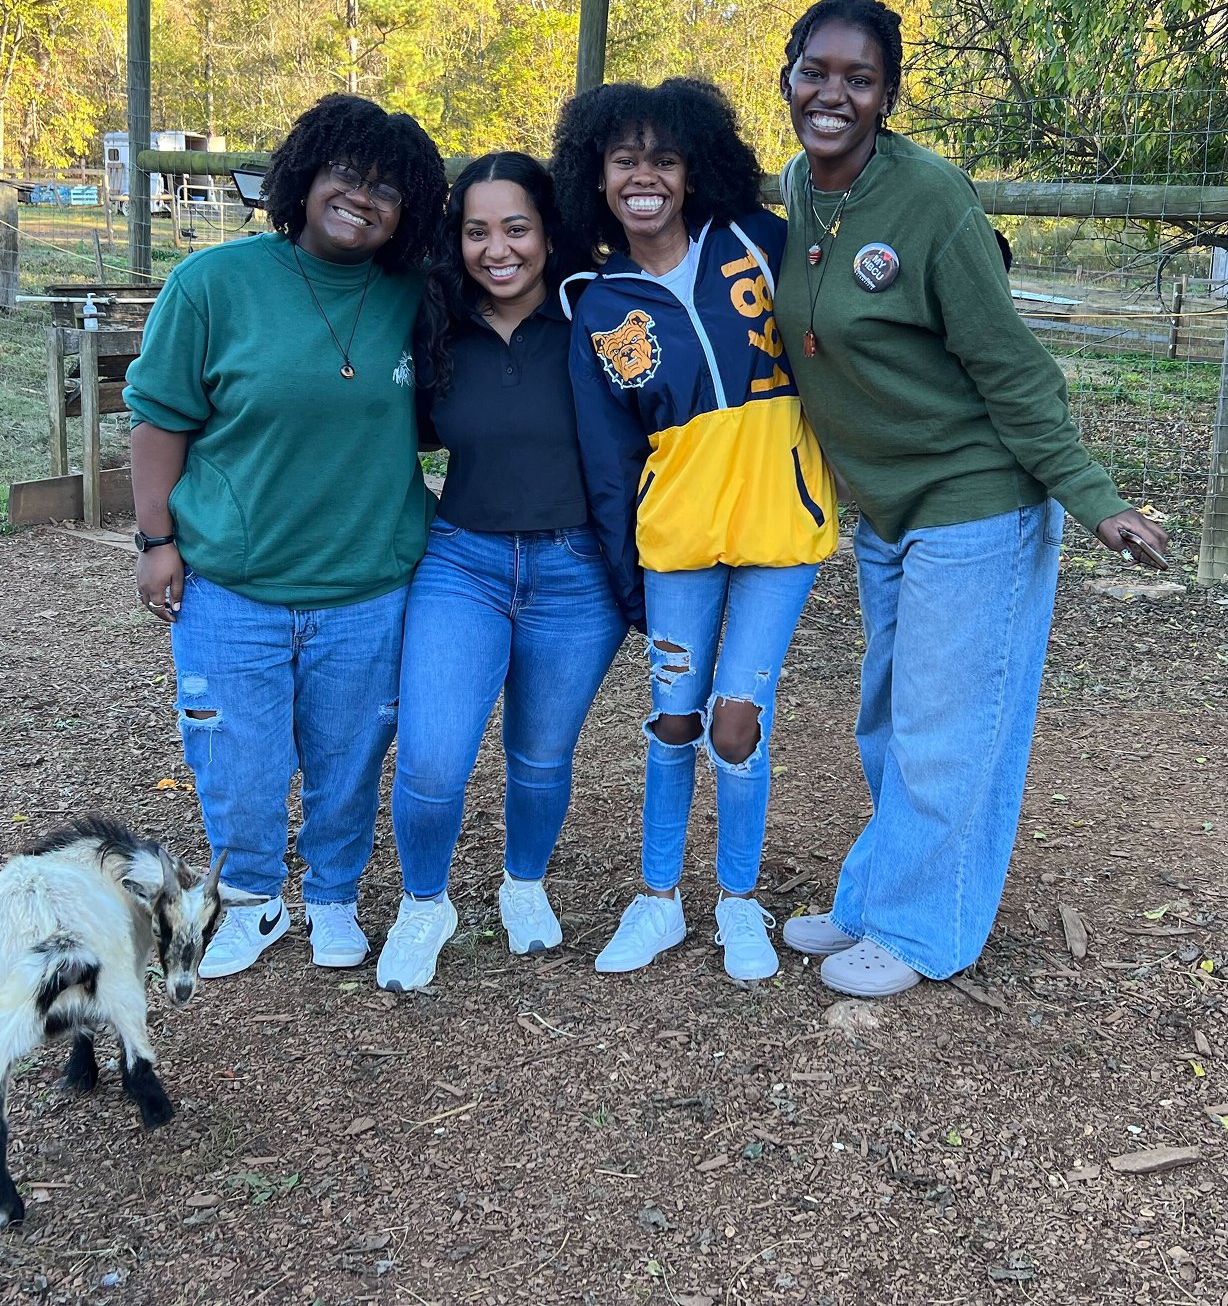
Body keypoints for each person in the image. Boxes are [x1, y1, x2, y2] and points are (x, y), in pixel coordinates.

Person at [774, 0, 1169, 997]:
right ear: (788, 76)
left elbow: (1011, 365)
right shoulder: (796, 187)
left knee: (946, 730)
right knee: (886, 721)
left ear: (888, 96)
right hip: (887, 508)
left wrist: (1094, 498)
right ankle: (878, 895)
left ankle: (922, 930)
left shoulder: (931, 198)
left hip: (976, 497)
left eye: (858, 79)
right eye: (816, 71)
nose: (832, 94)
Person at [124, 93, 447, 980]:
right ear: (303, 178)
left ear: (408, 210)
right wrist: (156, 540)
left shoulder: (417, 295)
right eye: (345, 173)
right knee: (237, 757)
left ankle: (334, 896)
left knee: (351, 757)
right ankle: (252, 899)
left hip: (368, 583)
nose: (362, 197)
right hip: (234, 583)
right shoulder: (214, 284)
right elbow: (158, 418)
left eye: (388, 188)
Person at [552, 78, 840, 982]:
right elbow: (607, 462)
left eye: (664, 159)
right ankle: (659, 900)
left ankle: (739, 903)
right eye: (624, 160)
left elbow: (852, 285)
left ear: (694, 170)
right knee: (676, 719)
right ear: (596, 178)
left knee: (735, 725)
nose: (645, 177)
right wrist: (626, 579)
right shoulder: (597, 304)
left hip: (782, 526)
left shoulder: (757, 240)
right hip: (675, 543)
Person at [376, 153, 626, 991]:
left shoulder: (596, 311)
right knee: (431, 759)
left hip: (577, 571)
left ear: (549, 232)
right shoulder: (433, 317)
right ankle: (424, 904)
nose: (497, 249)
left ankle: (524, 883)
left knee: (542, 756)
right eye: (477, 231)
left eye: (516, 228)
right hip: (463, 563)